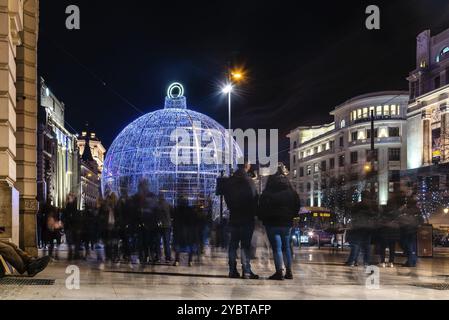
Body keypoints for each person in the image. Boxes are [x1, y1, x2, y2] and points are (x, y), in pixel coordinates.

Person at [259, 163, 300, 280]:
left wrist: (263, 218)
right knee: (286, 247)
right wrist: (293, 216)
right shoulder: (291, 190)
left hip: (272, 223)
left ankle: (279, 272)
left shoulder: (268, 191)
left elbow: (261, 206)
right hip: (286, 223)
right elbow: (297, 205)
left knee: (277, 248)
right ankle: (289, 271)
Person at [223, 162, 259, 279]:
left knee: (233, 245)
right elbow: (255, 198)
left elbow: (226, 197)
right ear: (246, 166)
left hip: (234, 217)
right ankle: (246, 271)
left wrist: (232, 208)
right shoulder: (249, 181)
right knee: (245, 246)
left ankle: (232, 270)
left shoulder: (230, 181)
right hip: (247, 218)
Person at [346, 191, 376, 267]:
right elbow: (374, 216)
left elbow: (352, 214)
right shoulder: (371, 207)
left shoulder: (357, 205)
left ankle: (352, 261)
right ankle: (366, 262)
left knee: (356, 245)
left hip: (358, 227)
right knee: (366, 246)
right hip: (367, 228)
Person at [172, 196, 200, 266]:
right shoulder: (191, 210)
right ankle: (189, 261)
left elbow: (175, 221)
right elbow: (194, 221)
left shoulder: (177, 210)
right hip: (188, 231)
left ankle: (177, 260)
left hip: (180, 230)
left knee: (178, 246)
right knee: (189, 246)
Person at [377, 194, 402, 268]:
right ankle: (391, 262)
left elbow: (380, 220)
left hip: (384, 232)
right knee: (392, 248)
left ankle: (382, 262)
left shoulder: (384, 210)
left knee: (383, 248)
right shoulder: (397, 212)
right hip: (393, 232)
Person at [399, 194, 422, 267]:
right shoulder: (417, 209)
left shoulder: (406, 209)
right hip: (414, 229)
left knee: (407, 245)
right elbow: (421, 220)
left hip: (406, 229)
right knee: (412, 245)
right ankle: (412, 260)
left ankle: (411, 261)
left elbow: (399, 215)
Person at [156, 193, 173, 263]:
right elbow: (172, 214)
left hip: (159, 226)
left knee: (157, 242)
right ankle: (168, 257)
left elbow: (155, 215)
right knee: (166, 243)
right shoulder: (168, 204)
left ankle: (158, 256)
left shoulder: (156, 205)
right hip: (167, 226)